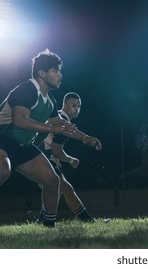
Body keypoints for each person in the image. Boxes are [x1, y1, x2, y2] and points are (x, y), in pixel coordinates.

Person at [0, 49, 101, 227]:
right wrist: (50, 127)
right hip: (3, 140)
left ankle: (48, 226)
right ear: (42, 73)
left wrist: (86, 138)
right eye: (55, 71)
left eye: (59, 71)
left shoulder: (50, 101)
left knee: (52, 181)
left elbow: (62, 125)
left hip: (22, 146)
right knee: (3, 171)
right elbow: (19, 120)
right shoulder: (27, 90)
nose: (60, 75)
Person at [33, 92, 102, 223]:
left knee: (55, 189)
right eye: (73, 105)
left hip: (42, 154)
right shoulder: (62, 123)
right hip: (38, 155)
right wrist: (71, 159)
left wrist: (54, 155)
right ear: (64, 105)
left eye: (79, 106)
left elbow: (52, 147)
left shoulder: (59, 116)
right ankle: (88, 221)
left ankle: (42, 220)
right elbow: (57, 151)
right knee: (66, 188)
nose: (77, 109)